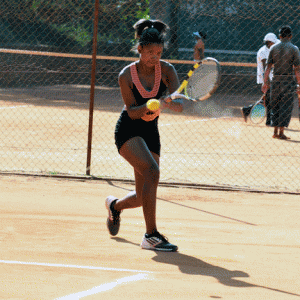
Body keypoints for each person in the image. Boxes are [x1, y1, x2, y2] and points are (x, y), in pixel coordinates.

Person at [105, 19, 183, 252]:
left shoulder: (167, 70)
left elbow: (179, 105)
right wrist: (155, 103)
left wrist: (171, 102)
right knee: (152, 171)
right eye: (150, 52)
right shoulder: (126, 76)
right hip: (128, 130)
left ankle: (115, 207)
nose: (154, 57)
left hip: (151, 132)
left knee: (142, 196)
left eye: (158, 52)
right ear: (139, 49)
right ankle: (151, 235)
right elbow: (131, 111)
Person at [262, 25, 300, 139]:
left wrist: (265, 82)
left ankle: (275, 131)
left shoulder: (274, 48)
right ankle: (281, 132)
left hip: (276, 80)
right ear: (291, 36)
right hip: (288, 81)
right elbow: (297, 69)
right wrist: (299, 83)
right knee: (286, 106)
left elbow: (268, 67)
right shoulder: (294, 49)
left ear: (280, 36)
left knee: (275, 105)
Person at [241, 33, 279, 123]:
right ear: (269, 43)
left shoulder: (272, 48)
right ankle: (269, 120)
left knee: (268, 98)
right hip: (265, 77)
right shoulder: (263, 52)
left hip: (272, 76)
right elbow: (266, 68)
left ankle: (247, 109)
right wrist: (266, 82)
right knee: (270, 98)